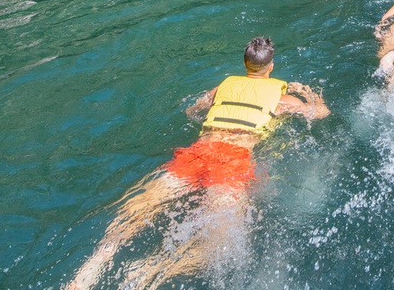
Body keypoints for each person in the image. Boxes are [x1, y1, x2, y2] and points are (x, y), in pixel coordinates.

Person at [66, 37, 329, 289]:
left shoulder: (221, 88)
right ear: (271, 66)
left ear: (245, 64)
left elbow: (192, 110)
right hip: (232, 162)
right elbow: (320, 114)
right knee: (218, 247)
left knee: (135, 212)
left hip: (197, 152)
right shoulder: (283, 100)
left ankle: (89, 271)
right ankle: (146, 273)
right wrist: (308, 93)